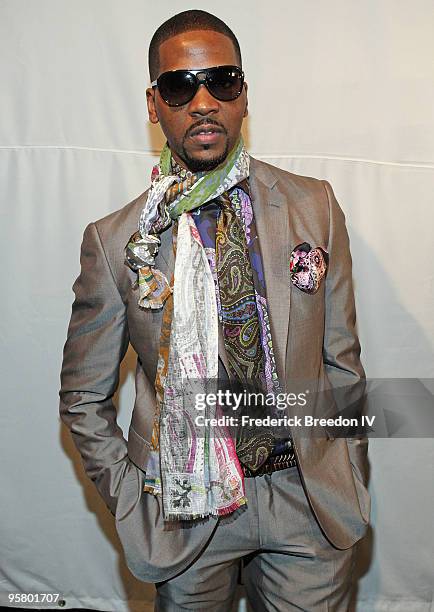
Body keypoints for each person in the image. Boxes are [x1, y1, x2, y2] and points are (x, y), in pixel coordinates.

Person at [59, 9, 370, 611]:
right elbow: (83, 397)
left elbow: (343, 364)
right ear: (155, 105)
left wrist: (349, 467)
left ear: (244, 95)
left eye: (222, 81)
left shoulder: (314, 207)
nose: (203, 102)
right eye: (179, 86)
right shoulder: (116, 240)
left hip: (306, 499)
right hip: (184, 509)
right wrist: (132, 499)